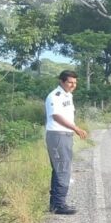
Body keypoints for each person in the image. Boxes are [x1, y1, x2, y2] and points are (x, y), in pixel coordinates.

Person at [45, 70, 88, 215]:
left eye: (75, 83)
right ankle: (59, 205)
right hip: (57, 135)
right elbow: (56, 116)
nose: (73, 85)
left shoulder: (68, 95)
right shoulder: (54, 96)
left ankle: (55, 204)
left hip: (64, 135)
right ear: (61, 81)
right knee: (63, 169)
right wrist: (76, 128)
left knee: (60, 169)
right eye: (70, 82)